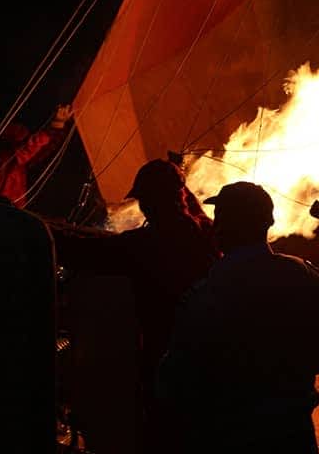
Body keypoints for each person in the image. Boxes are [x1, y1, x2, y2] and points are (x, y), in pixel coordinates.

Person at [157, 181, 319, 453]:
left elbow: (176, 380)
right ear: (269, 221)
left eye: (220, 219)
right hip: (295, 436)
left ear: (222, 228)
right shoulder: (307, 277)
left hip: (233, 437)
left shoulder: (205, 295)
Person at [53, 158, 219, 452]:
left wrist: (34, 228)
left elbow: (81, 252)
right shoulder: (206, 234)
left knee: (163, 436)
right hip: (208, 360)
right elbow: (188, 208)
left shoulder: (146, 244)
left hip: (165, 360)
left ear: (151, 203)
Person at [0, 104, 73, 207]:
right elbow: (25, 151)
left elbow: (40, 152)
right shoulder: (1, 154)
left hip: (10, 207)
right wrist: (56, 125)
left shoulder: (21, 163)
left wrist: (57, 127)